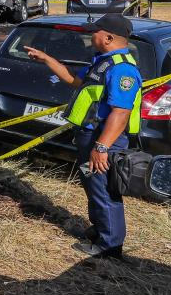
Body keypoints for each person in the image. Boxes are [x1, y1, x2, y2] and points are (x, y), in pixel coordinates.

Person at [24, 13, 143, 258]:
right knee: (92, 184)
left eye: (94, 32)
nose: (91, 36)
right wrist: (47, 59)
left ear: (108, 37)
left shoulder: (123, 70)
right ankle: (101, 228)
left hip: (103, 142)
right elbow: (74, 81)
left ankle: (109, 246)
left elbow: (120, 113)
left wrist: (101, 148)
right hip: (91, 139)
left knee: (104, 190)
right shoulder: (103, 61)